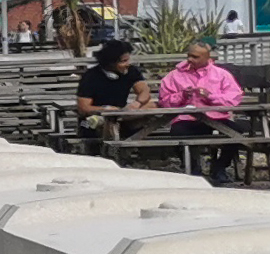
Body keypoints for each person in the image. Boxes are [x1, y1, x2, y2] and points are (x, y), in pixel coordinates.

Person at [155, 38, 245, 180]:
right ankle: (193, 169)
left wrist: (210, 97)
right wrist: (182, 96)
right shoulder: (174, 76)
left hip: (217, 118)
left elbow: (234, 98)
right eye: (189, 55)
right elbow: (164, 101)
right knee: (177, 133)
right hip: (187, 119)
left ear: (207, 58)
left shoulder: (221, 74)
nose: (190, 59)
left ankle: (220, 167)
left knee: (237, 133)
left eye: (195, 57)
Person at [75, 38, 142, 147]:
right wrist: (105, 109)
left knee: (149, 111)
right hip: (91, 122)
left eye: (128, 60)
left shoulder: (131, 71)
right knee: (98, 127)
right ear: (110, 62)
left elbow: (144, 91)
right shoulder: (90, 77)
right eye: (123, 61)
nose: (128, 64)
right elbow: (83, 108)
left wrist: (138, 103)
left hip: (121, 117)